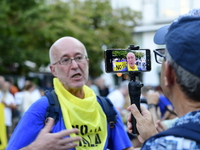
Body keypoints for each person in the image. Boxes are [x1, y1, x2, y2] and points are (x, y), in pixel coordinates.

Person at [6, 36, 133, 150]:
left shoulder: (105, 107)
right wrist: (36, 148)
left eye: (79, 58)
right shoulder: (43, 108)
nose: (74, 65)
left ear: (87, 63)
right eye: (65, 60)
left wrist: (149, 136)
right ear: (53, 70)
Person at [127, 9, 200, 149]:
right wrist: (153, 136)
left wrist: (154, 142)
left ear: (169, 73)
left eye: (163, 55)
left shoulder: (163, 145)